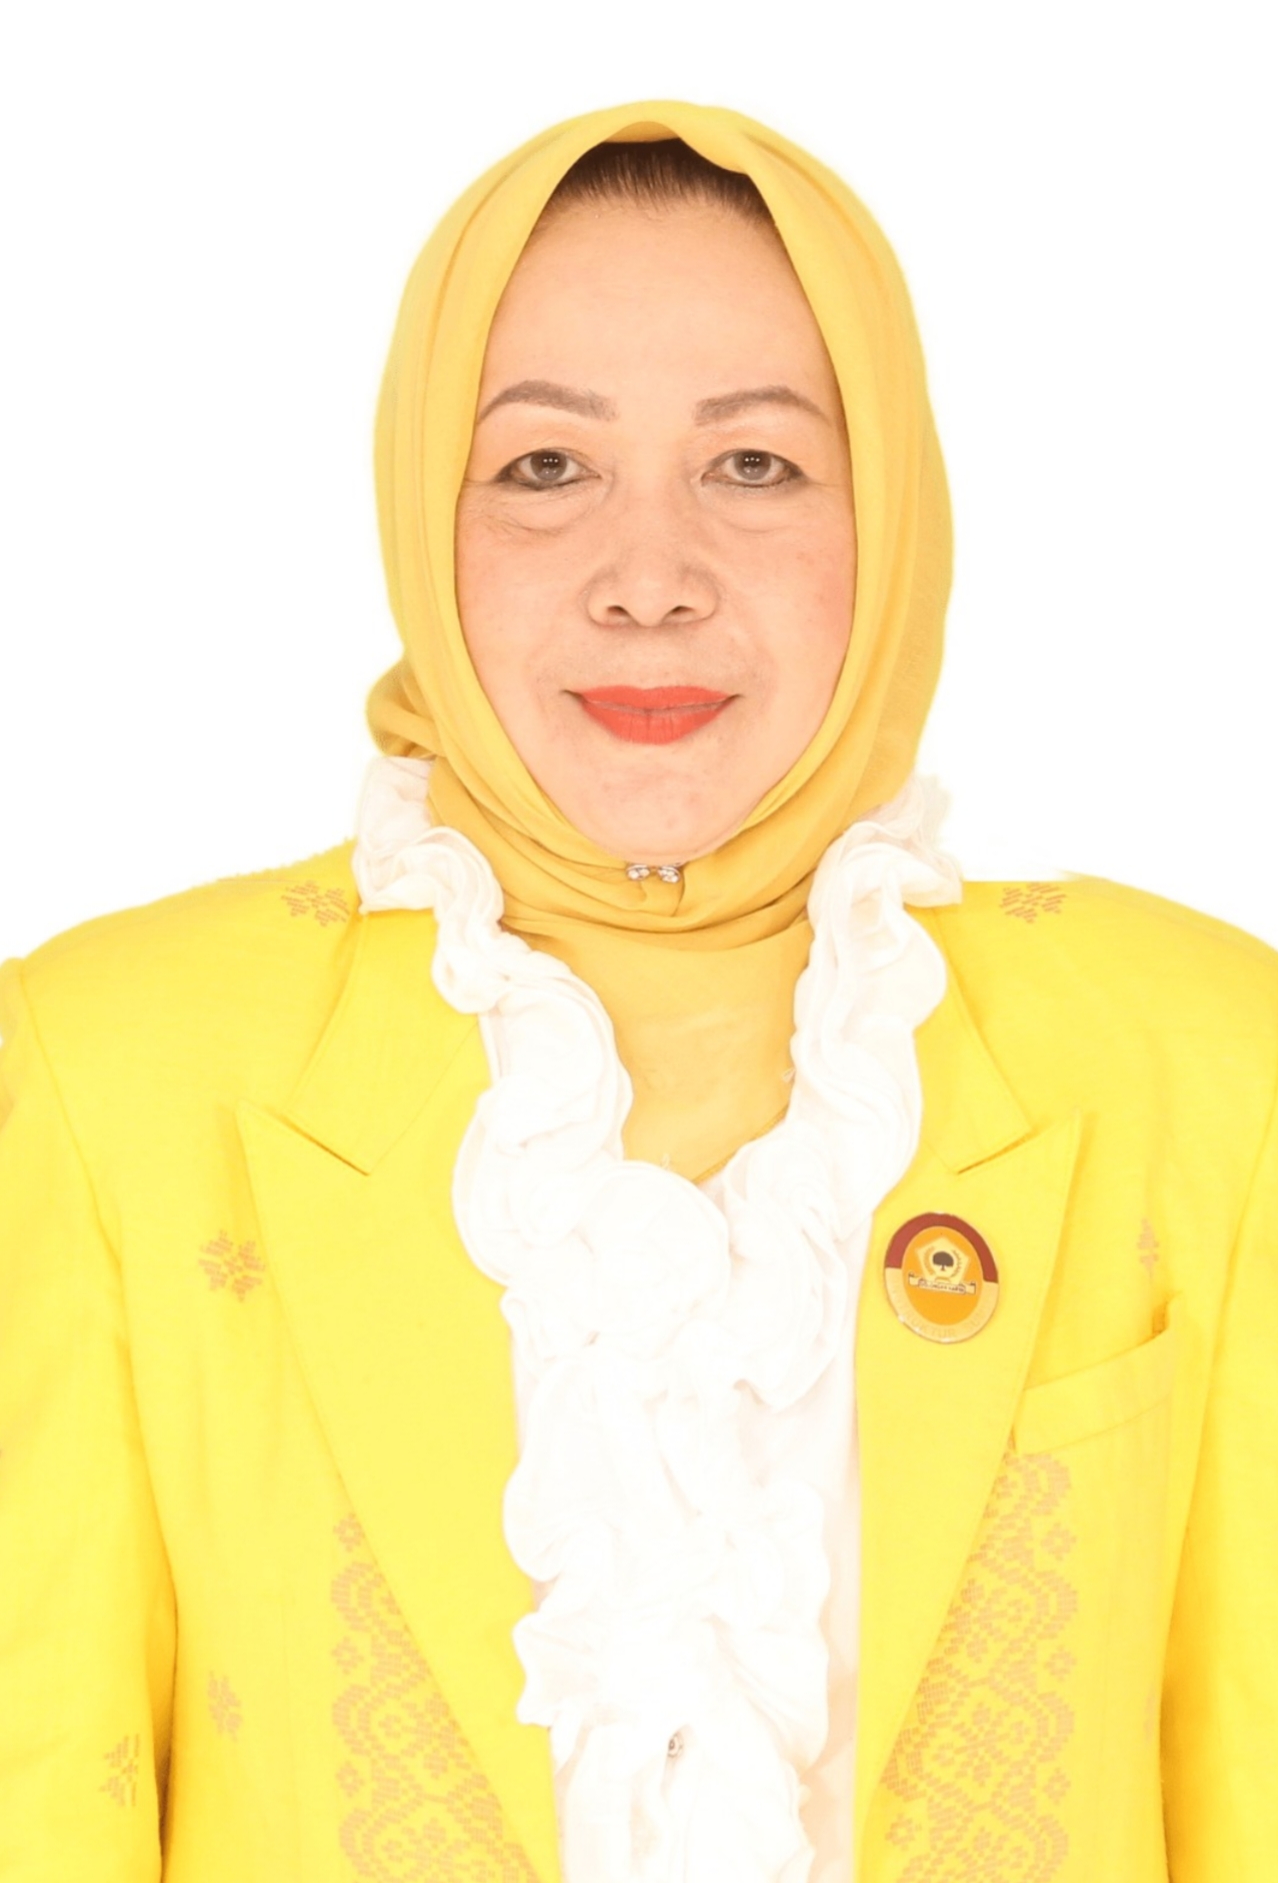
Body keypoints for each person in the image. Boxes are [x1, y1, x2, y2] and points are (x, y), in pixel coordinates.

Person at [0, 98, 1274, 1883]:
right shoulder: (102, 1071)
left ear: (892, 511)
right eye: (543, 468)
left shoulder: (1205, 1063)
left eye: (752, 465)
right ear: (420, 512)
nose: (650, 581)